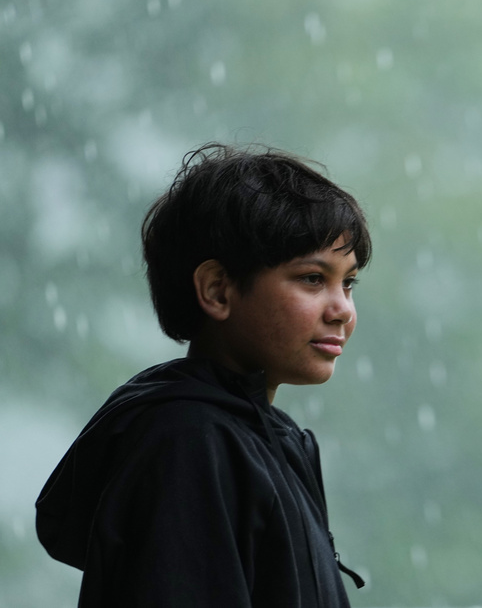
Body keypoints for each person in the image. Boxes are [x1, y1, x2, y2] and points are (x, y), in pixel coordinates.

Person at [35, 143, 371, 607]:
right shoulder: (188, 442)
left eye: (348, 282)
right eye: (313, 278)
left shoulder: (274, 440)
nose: (342, 310)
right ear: (217, 290)